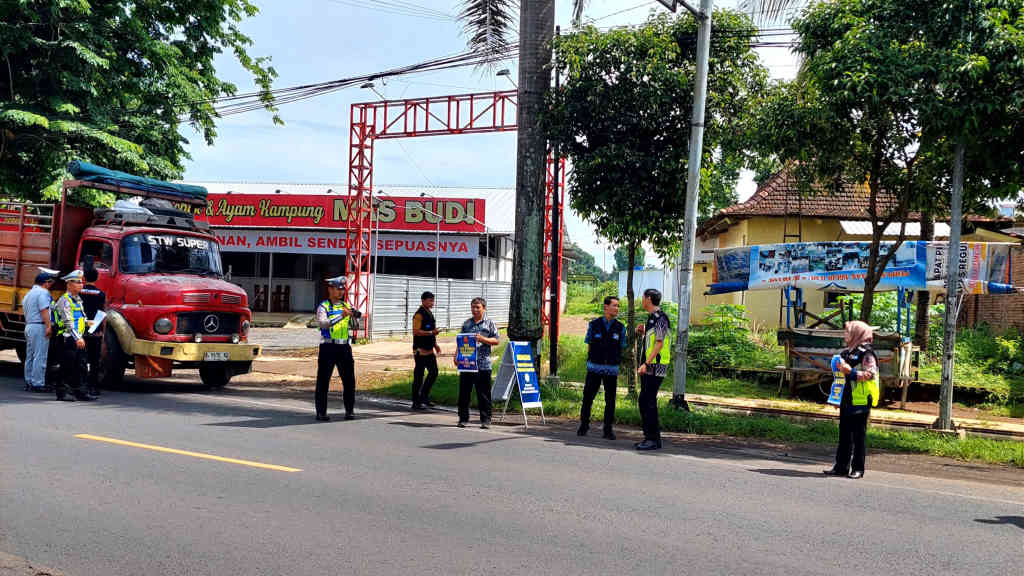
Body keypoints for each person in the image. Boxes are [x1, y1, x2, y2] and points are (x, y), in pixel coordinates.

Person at [824, 320, 879, 480]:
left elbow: (870, 374)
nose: (844, 335)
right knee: (844, 434)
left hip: (861, 400)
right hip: (847, 399)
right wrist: (835, 398)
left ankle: (858, 469)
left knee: (858, 436)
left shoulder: (866, 353)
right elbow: (840, 378)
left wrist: (851, 372)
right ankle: (841, 466)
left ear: (857, 333)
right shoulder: (846, 352)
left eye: (847, 332)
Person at [578, 296, 627, 440]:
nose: (617, 308)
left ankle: (608, 430)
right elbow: (589, 344)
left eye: (618, 306)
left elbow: (622, 347)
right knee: (588, 398)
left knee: (610, 401)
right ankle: (584, 425)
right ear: (606, 307)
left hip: (611, 370)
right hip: (594, 368)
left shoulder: (620, 327)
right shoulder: (594, 324)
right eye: (614, 305)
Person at [314, 276, 356, 421]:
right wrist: (341, 315)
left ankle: (349, 411)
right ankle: (321, 412)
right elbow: (323, 324)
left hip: (344, 347)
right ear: (330, 289)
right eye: (338, 289)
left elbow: (354, 325)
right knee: (323, 381)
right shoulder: (323, 306)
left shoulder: (345, 305)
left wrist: (354, 316)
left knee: (349, 381)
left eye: (342, 289)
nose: (341, 292)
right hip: (328, 347)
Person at [634, 288, 671, 451]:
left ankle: (653, 440)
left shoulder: (660, 318)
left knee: (648, 401)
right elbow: (652, 342)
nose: (641, 300)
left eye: (643, 297)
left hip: (655, 366)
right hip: (650, 365)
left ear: (648, 298)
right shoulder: (652, 318)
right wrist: (642, 333)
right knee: (644, 400)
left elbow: (660, 343)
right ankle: (649, 437)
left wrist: (646, 363)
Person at [454, 297, 499, 429]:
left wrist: (482, 339)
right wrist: (456, 355)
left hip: (483, 364)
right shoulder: (467, 324)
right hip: (467, 364)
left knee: (484, 394)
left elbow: (496, 340)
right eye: (473, 307)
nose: (475, 310)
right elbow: (460, 340)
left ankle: (486, 420)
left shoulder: (489, 323)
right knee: (464, 393)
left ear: (484, 308)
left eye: (477, 307)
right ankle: (463, 419)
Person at [53, 270, 94, 401]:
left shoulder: (77, 300)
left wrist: (88, 322)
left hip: (78, 337)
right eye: (78, 282)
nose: (81, 285)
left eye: (81, 282)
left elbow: (79, 318)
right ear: (69, 284)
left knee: (81, 366)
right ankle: (62, 392)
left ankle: (80, 391)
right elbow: (68, 322)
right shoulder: (64, 300)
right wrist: (78, 338)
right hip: (69, 338)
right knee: (67, 366)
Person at [21, 268, 57, 392]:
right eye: (50, 283)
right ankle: (38, 383)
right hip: (39, 326)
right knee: (40, 356)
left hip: (29, 325)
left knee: (30, 356)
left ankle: (29, 381)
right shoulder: (43, 293)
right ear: (45, 283)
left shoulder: (28, 294)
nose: (50, 285)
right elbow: (44, 310)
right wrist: (48, 326)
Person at [411, 291, 441, 410]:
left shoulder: (430, 313)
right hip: (420, 350)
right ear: (423, 301)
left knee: (433, 372)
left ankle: (424, 396)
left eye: (433, 300)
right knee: (419, 376)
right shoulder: (419, 315)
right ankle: (415, 402)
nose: (432, 303)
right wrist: (431, 332)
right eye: (430, 300)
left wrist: (435, 345)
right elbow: (415, 331)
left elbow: (432, 331)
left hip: (429, 349)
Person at [80, 268, 106, 396]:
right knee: (94, 360)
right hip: (95, 331)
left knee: (81, 358)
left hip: (80, 330)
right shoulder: (101, 294)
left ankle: (80, 384)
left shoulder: (79, 292)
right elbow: (101, 313)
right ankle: (93, 386)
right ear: (97, 278)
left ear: (84, 278)